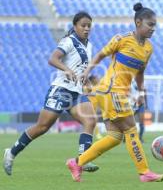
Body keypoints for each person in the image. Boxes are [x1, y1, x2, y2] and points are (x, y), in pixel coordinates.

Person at [66, 3, 163, 182]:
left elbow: (140, 73)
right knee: (131, 129)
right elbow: (99, 56)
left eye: (154, 25)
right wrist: (86, 72)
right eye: (150, 24)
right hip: (110, 91)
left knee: (114, 136)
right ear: (138, 22)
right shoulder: (122, 39)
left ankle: (77, 162)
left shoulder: (148, 49)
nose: (153, 28)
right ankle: (144, 172)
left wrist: (142, 94)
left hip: (116, 94)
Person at [3, 11, 99, 175]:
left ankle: (83, 159)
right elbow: (53, 59)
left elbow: (81, 68)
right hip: (61, 90)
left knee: (90, 120)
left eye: (89, 26)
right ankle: (11, 153)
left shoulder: (88, 45)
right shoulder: (69, 41)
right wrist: (66, 69)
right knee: (42, 127)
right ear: (75, 26)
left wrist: (87, 80)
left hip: (75, 93)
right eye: (83, 25)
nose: (86, 28)